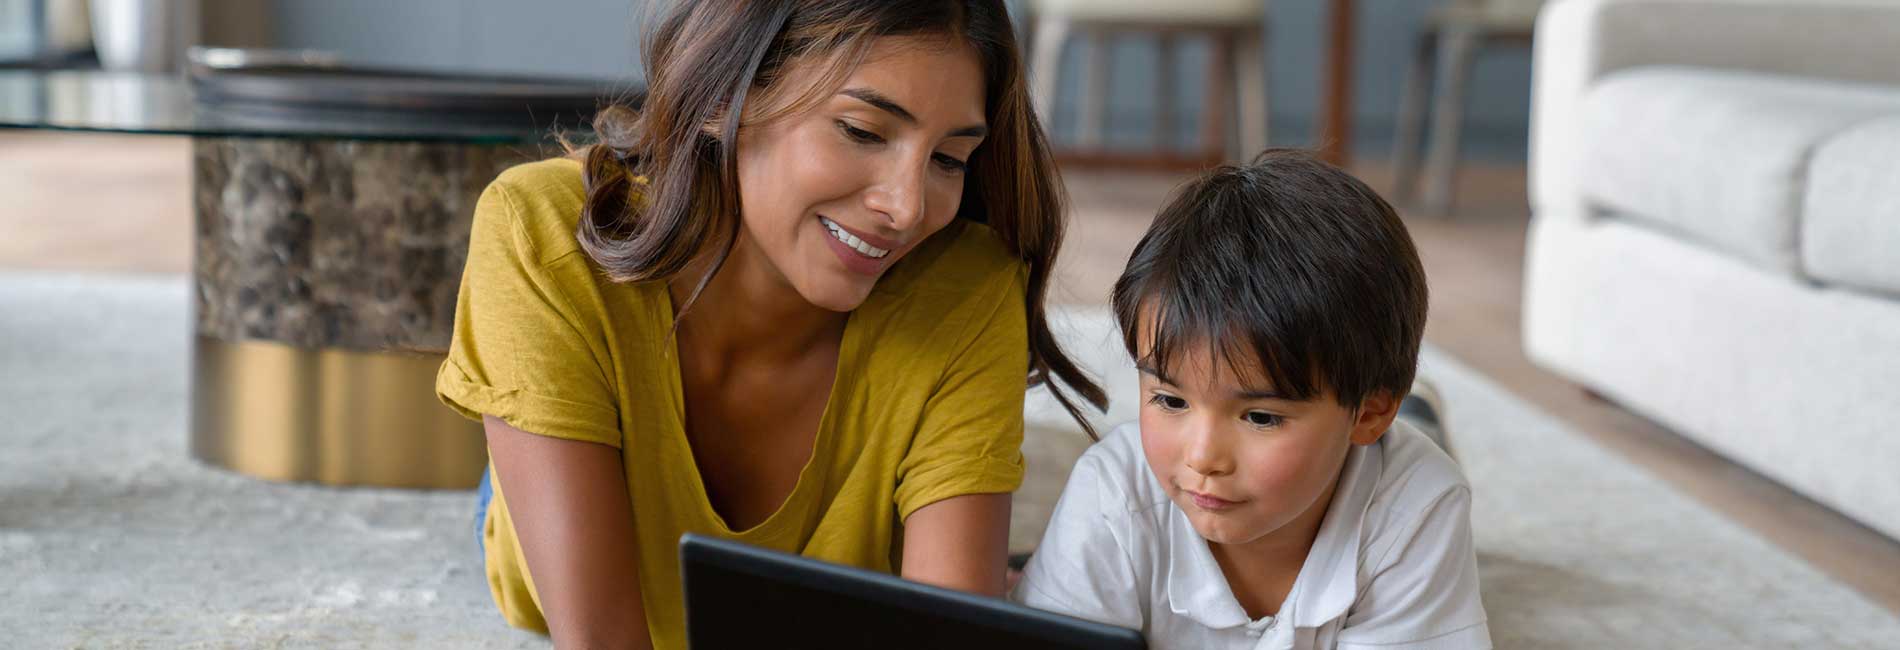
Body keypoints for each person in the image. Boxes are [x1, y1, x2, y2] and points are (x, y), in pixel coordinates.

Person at [434, 2, 1104, 648]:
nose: (905, 207)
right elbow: (604, 642)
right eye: (862, 131)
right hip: (570, 471)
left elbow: (946, 634)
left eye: (948, 159)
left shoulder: (968, 284)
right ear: (726, 97)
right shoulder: (543, 233)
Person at [1012, 150, 1490, 649]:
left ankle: (1415, 416)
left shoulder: (1416, 507)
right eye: (1172, 401)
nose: (1202, 457)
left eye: (1260, 417)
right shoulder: (1114, 494)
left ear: (1369, 412)